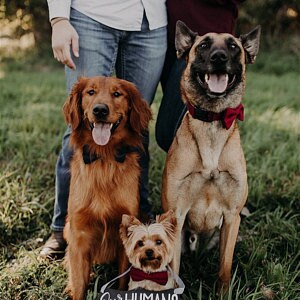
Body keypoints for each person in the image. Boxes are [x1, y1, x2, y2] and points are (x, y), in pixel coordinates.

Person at [40, 0, 167, 259]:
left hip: (151, 21)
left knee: (135, 127)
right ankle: (61, 227)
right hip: (92, 14)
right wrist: (59, 18)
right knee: (80, 125)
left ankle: (137, 224)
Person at [156, 0, 245, 152]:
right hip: (167, 35)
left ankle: (202, 170)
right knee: (169, 129)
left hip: (210, 42)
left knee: (168, 133)